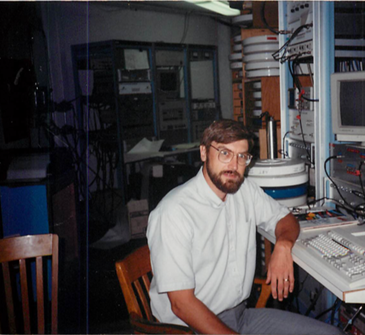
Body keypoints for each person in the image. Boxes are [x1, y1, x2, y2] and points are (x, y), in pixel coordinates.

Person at [146, 119, 343, 334]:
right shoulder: (173, 212)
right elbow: (182, 305)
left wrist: (283, 246)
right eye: (224, 153)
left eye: (242, 156)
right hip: (190, 327)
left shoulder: (244, 190)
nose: (233, 164)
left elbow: (285, 218)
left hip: (238, 316)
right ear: (203, 153)